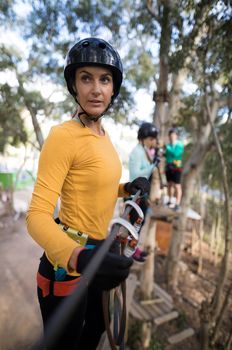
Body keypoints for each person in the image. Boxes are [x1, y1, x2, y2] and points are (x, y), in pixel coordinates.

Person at [26, 37, 150, 350]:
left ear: (113, 88)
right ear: (75, 86)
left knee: (94, 331)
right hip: (68, 260)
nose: (96, 89)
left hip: (99, 252)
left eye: (104, 79)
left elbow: (96, 185)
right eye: (86, 78)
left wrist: (127, 188)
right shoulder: (63, 136)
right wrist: (78, 257)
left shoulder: (105, 137)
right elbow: (37, 216)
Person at [128, 122, 159, 262]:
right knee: (134, 224)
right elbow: (135, 174)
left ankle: (133, 247)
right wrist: (153, 166)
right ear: (144, 137)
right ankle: (130, 250)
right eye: (151, 138)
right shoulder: (137, 151)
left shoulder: (144, 150)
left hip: (142, 194)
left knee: (139, 223)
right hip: (134, 195)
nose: (153, 141)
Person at [165, 127, 184, 211]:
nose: (172, 136)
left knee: (177, 185)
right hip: (168, 167)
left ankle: (177, 203)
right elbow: (166, 155)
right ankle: (170, 200)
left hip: (177, 167)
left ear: (176, 136)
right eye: (170, 135)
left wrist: (167, 149)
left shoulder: (179, 144)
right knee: (169, 185)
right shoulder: (168, 145)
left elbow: (176, 153)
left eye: (173, 134)